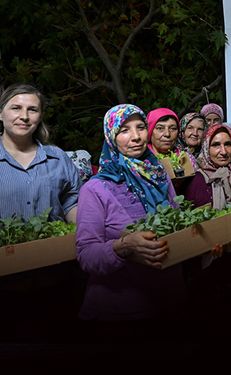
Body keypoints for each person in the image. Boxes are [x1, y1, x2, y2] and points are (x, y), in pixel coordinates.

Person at [75, 104, 186, 323]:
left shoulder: (159, 175)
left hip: (170, 302)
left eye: (141, 127)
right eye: (124, 130)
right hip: (120, 311)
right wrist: (123, 246)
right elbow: (86, 255)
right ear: (111, 137)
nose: (135, 137)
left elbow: (177, 225)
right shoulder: (95, 189)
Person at [0, 83, 82, 222]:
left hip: (54, 243)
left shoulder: (58, 158)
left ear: (40, 116)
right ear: (1, 113)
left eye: (32, 110)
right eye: (16, 108)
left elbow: (73, 203)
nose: (24, 116)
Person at [184, 123, 231, 209]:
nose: (223, 152)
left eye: (227, 144)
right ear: (206, 148)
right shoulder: (196, 181)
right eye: (216, 145)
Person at [147, 107, 197, 172]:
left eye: (173, 129)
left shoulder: (187, 159)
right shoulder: (142, 160)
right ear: (150, 131)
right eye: (160, 128)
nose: (167, 134)